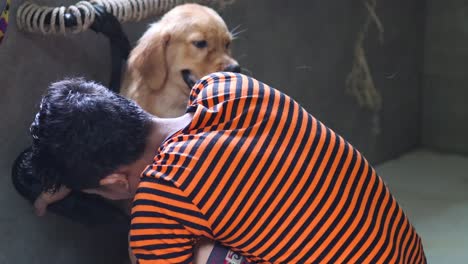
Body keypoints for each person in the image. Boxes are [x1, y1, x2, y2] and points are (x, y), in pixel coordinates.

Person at [30, 73, 426, 264]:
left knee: (183, 253)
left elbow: (160, 204)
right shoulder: (227, 88)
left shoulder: (161, 195)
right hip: (407, 255)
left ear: (116, 179)